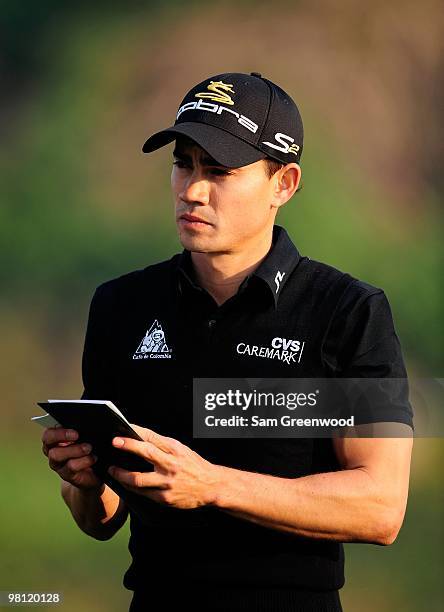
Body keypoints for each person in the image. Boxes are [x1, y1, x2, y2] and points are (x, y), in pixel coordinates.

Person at [41, 72, 414, 612]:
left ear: (283, 184)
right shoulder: (121, 306)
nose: (192, 189)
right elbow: (100, 520)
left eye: (218, 171)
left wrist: (212, 485)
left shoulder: (348, 311)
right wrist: (82, 479)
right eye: (182, 164)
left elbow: (380, 509)